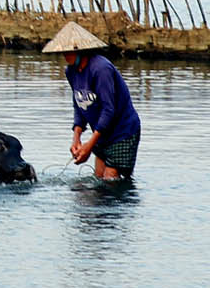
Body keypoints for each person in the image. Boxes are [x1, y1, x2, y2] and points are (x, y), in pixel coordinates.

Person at [42, 21, 141, 180]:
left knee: (110, 178)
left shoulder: (101, 69)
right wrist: (77, 138)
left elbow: (109, 110)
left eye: (69, 51)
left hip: (122, 131)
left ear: (81, 50)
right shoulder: (71, 71)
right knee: (98, 177)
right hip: (101, 133)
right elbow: (80, 104)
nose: (65, 55)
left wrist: (89, 145)